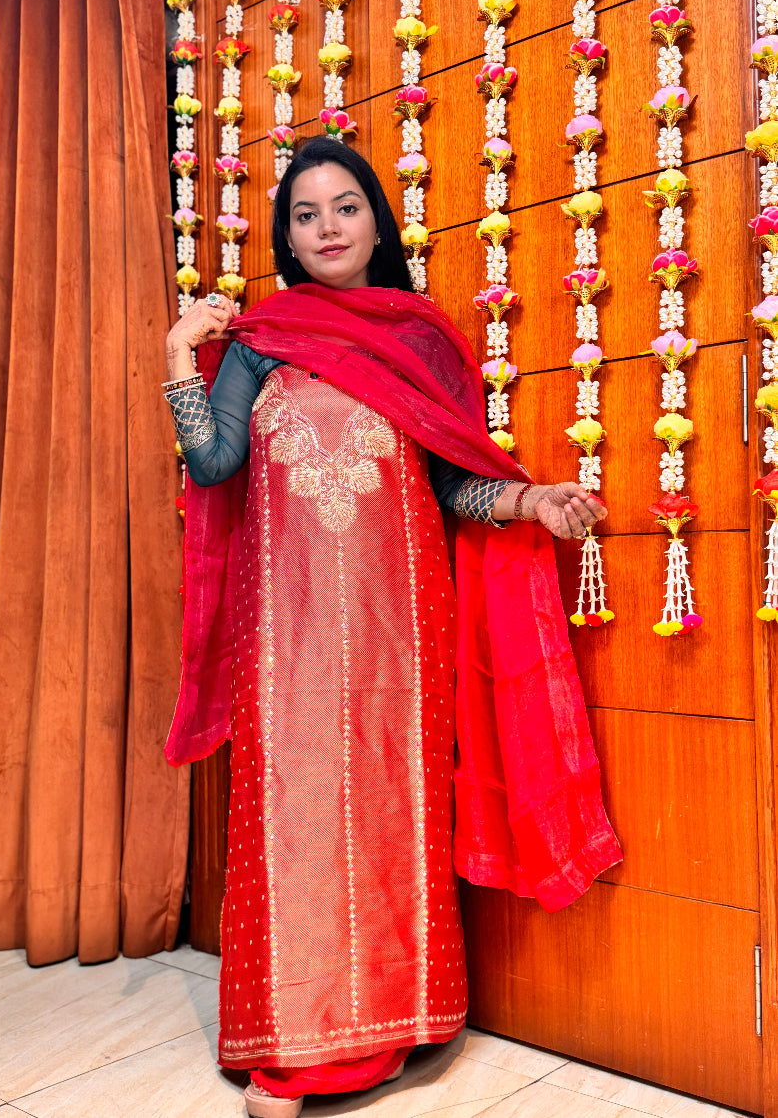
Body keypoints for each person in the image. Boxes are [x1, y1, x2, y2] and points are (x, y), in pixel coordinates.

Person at [162, 137, 621, 1118]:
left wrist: (532, 500)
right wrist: (176, 355)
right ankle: (294, 1051)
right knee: (294, 817)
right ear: (288, 236)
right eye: (306, 214)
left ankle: (402, 1019)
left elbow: (455, 476)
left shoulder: (415, 337)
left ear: (377, 219)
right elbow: (213, 465)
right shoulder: (260, 340)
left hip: (400, 629)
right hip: (285, 633)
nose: (326, 228)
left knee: (390, 813)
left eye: (344, 208)